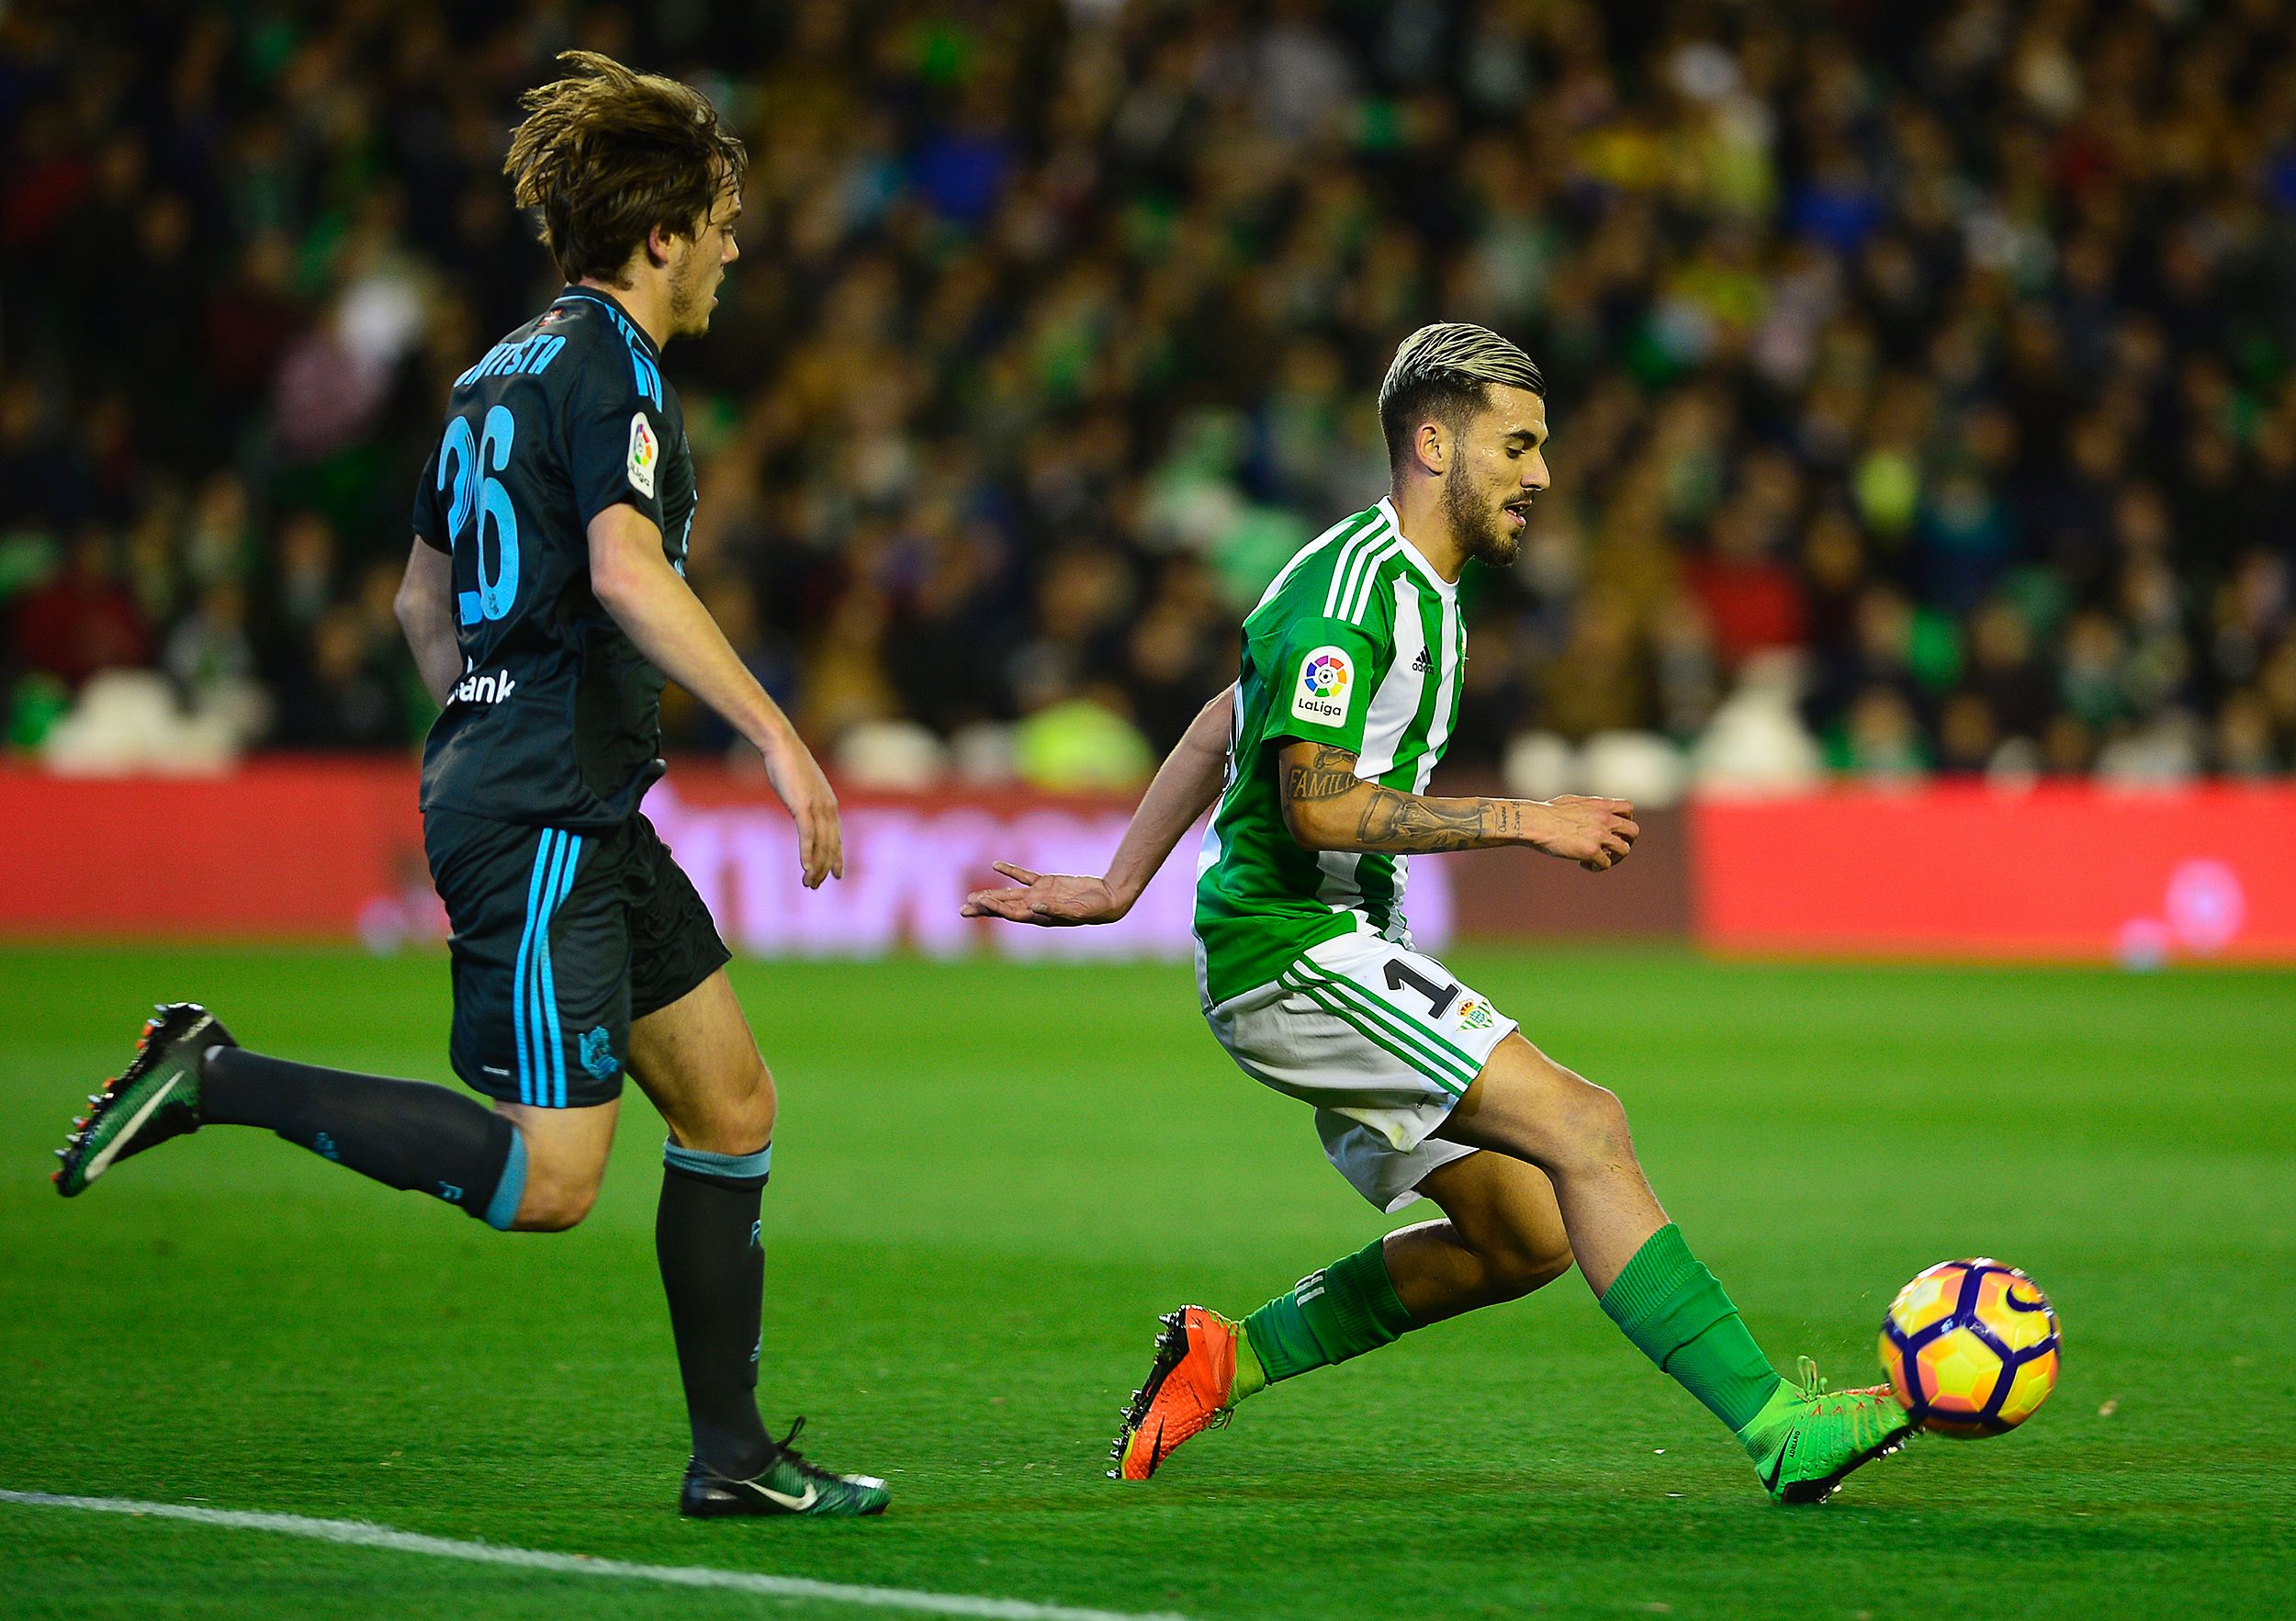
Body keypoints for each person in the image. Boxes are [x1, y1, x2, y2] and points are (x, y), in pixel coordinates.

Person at [52, 52, 887, 1520]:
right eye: (723, 221)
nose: (734, 249)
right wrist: (775, 731)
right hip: (549, 810)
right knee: (553, 1180)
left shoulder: (491, 373)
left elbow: (417, 610)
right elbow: (626, 569)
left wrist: (489, 726)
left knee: (734, 1105)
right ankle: (220, 1074)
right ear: (662, 235)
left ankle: (735, 1460)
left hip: (564, 800)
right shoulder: (617, 375)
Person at [963, 322, 1911, 1503]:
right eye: (1516, 445)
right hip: (1294, 949)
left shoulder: (1413, 589)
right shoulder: (1357, 587)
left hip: (1333, 945)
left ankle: (1229, 1354)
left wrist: (1117, 885)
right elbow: (1312, 805)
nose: (1540, 475)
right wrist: (1526, 820)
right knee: (1586, 1127)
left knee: (1524, 1238)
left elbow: (1227, 713)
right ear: (1432, 441)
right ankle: (1776, 1424)